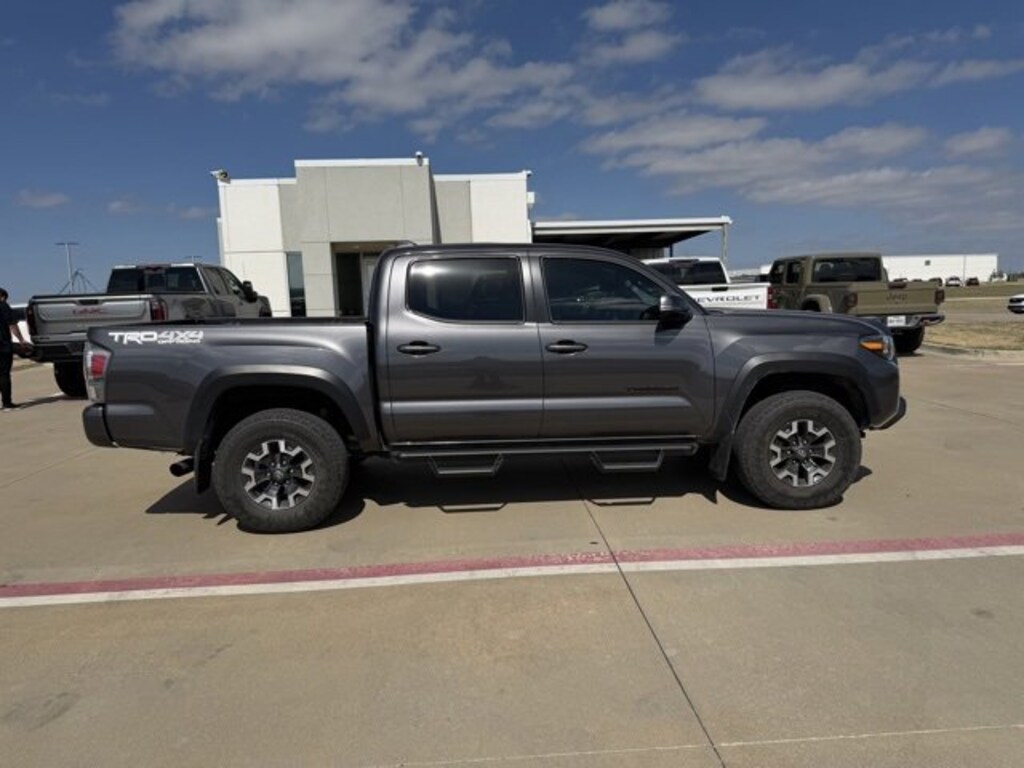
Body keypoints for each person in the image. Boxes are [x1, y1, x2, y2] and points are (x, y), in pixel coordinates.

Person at [0, 287, 30, 411]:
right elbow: (12, 325)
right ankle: (7, 403)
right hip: (2, 345)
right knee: (3, 374)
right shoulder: (3, 306)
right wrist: (21, 340)